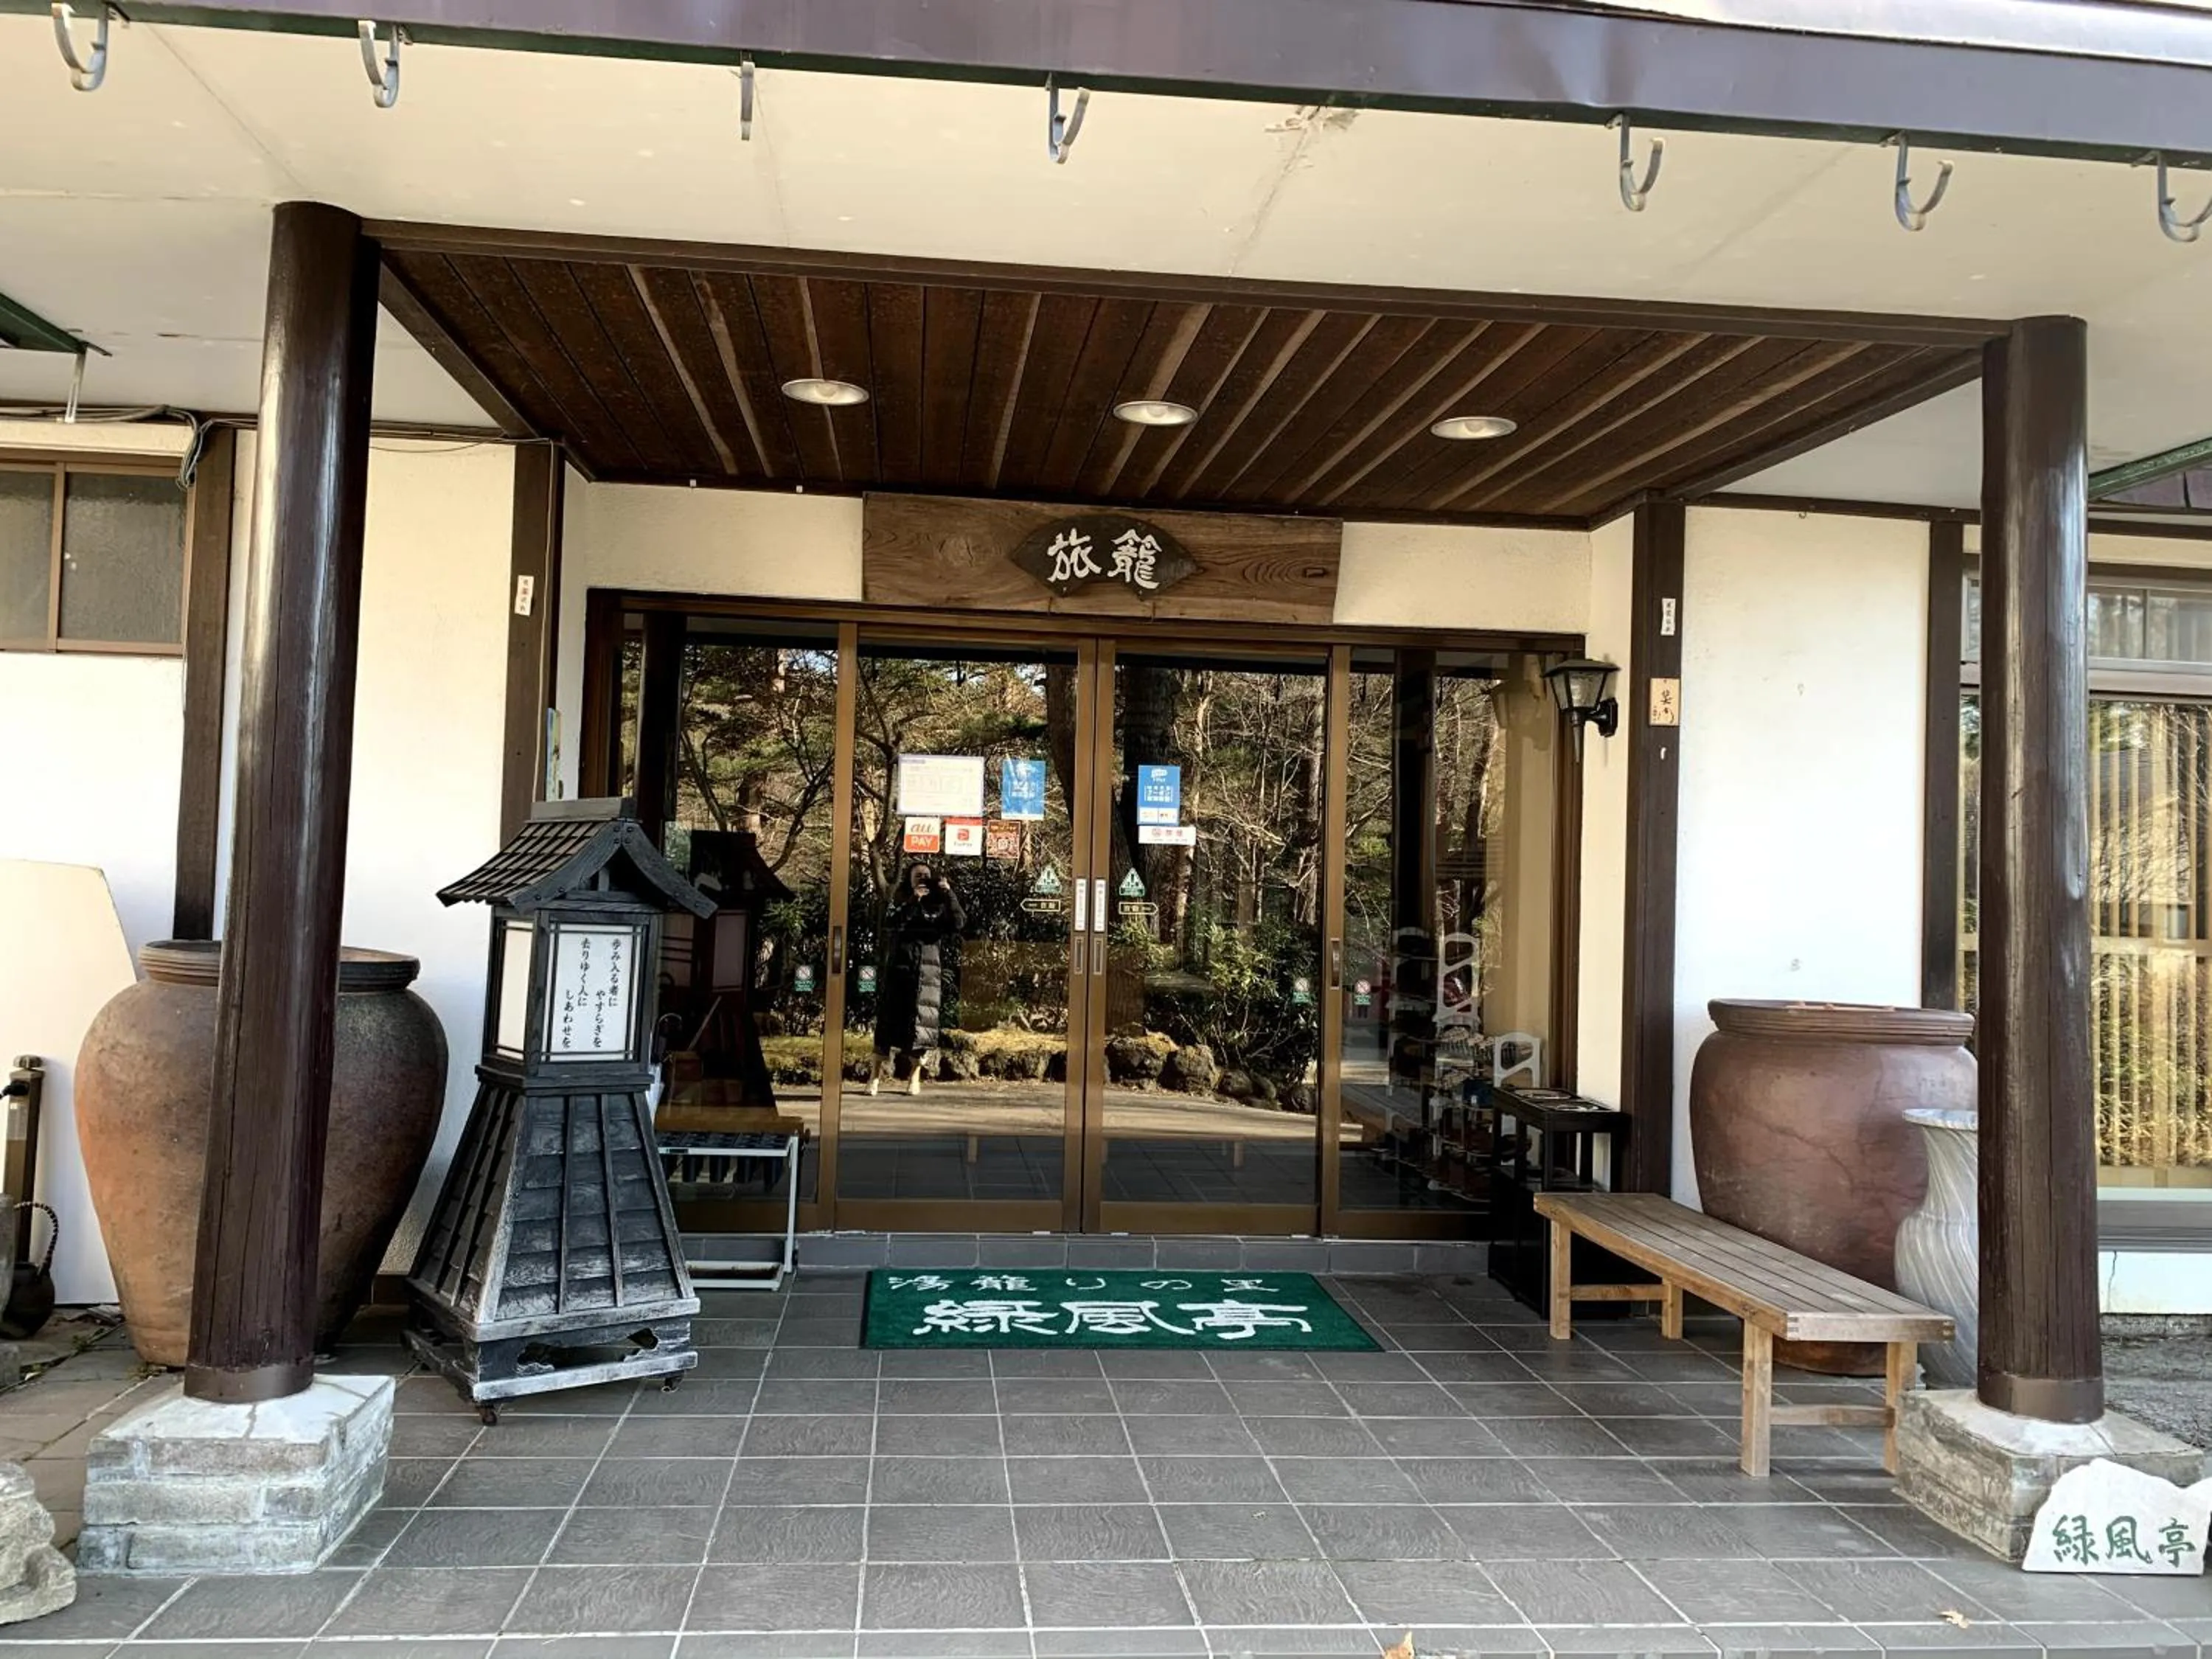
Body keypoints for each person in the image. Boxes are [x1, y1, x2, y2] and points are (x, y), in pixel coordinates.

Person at [869, 863, 965, 1096]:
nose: (922, 879)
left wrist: (948, 892)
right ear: (909, 880)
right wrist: (914, 899)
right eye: (917, 875)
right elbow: (891, 923)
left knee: (922, 1027)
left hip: (928, 973)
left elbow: (959, 923)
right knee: (887, 1024)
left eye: (926, 876)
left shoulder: (940, 903)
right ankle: (873, 1076)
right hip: (899, 971)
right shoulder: (901, 898)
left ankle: (914, 1077)